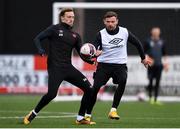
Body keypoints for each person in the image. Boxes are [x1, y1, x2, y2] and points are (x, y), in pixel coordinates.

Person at [23, 8, 96, 125]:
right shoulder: (54, 29)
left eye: (72, 17)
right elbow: (37, 38)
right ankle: (33, 113)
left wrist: (91, 60)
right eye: (68, 17)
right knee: (52, 94)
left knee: (90, 89)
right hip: (55, 68)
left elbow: (82, 54)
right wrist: (40, 49)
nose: (71, 19)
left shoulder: (75, 36)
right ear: (62, 17)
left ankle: (80, 118)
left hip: (68, 68)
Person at [84, 11, 152, 121]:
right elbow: (93, 48)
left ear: (117, 21)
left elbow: (137, 43)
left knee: (123, 80)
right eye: (108, 22)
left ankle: (113, 110)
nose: (110, 24)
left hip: (119, 65)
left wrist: (143, 58)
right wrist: (94, 53)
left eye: (113, 21)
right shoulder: (100, 34)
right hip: (104, 66)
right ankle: (87, 115)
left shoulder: (124, 32)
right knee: (95, 88)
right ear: (104, 22)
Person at [144, 27, 169, 105]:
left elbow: (164, 54)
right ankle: (150, 98)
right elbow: (144, 53)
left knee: (157, 82)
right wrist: (148, 60)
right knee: (151, 81)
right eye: (154, 32)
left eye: (157, 32)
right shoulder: (148, 41)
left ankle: (156, 99)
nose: (156, 33)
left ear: (159, 32)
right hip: (151, 65)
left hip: (159, 65)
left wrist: (166, 64)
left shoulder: (162, 42)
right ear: (152, 32)